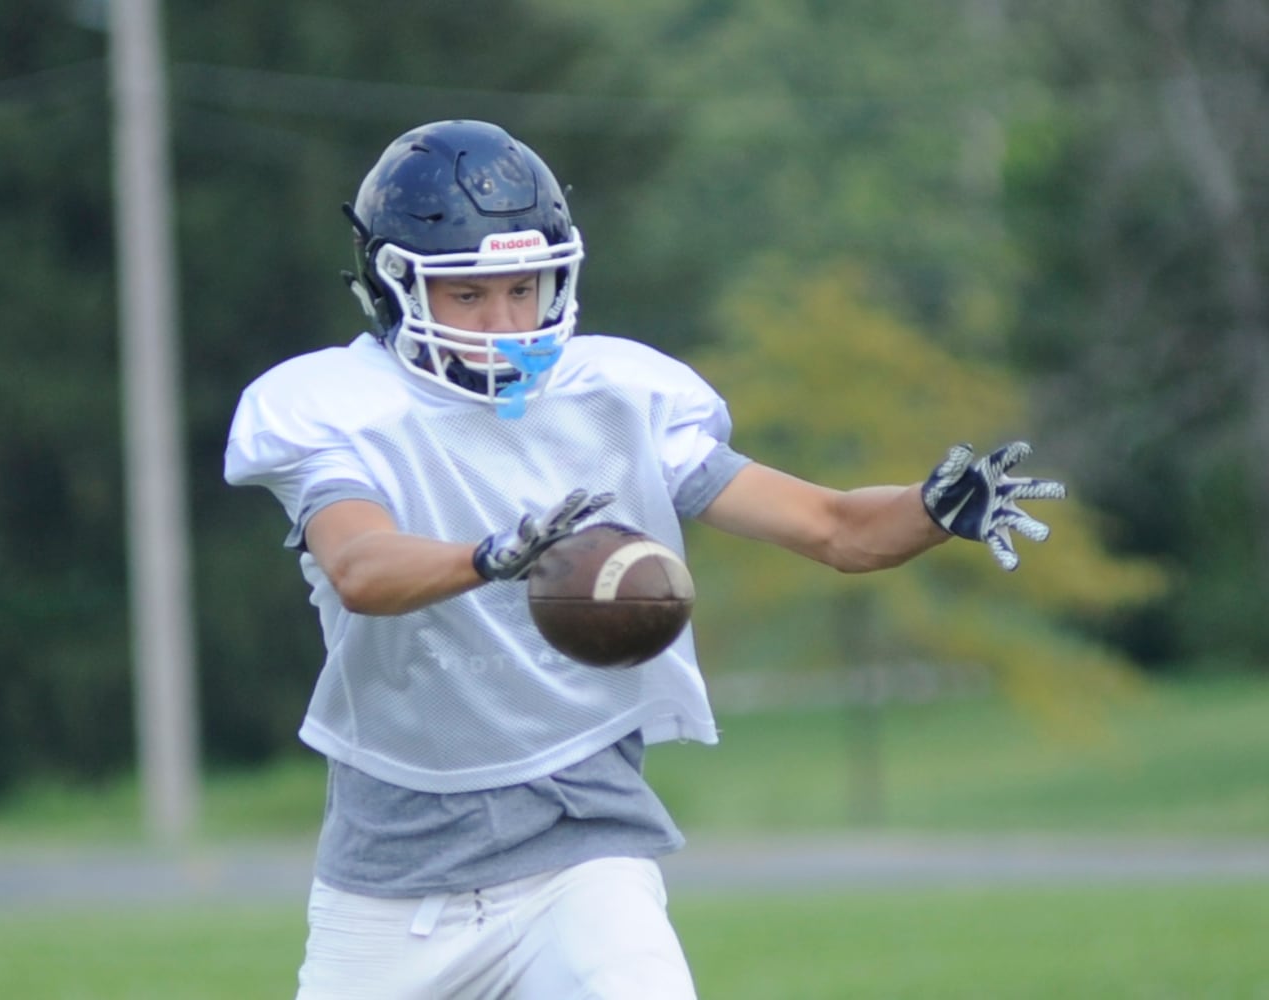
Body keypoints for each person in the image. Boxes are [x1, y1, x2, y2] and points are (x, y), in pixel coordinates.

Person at [224, 119, 1065, 1000]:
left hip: (580, 852)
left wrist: (927, 512)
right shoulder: (338, 408)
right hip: (392, 881)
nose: (505, 322)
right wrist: (491, 555)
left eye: (523, 286)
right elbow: (361, 567)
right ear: (392, 289)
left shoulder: (618, 396)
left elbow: (831, 527)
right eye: (468, 295)